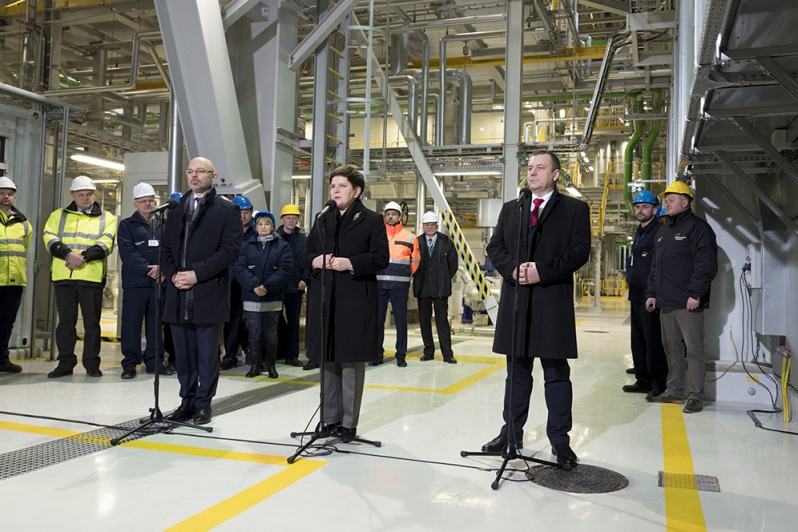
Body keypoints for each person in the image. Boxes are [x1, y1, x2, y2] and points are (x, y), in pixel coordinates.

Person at [482, 151, 590, 468]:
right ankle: (510, 434)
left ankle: (560, 441)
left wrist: (542, 271)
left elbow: (579, 252)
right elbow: (495, 247)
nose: (532, 172)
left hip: (551, 301)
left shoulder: (574, 209)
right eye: (529, 167)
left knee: (556, 375)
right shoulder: (512, 209)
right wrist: (512, 269)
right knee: (516, 374)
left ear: (556, 174)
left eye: (540, 167)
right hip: (517, 302)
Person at [299, 166, 389, 441]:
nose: (335, 191)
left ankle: (348, 423)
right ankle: (329, 420)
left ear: (356, 191)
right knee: (327, 358)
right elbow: (307, 253)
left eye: (341, 186)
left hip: (355, 299)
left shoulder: (372, 220)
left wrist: (348, 263)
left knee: (349, 363)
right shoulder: (323, 218)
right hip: (326, 299)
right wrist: (315, 261)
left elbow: (380, 257)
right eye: (333, 187)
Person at [161, 157, 242, 425]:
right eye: (190, 172)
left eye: (201, 172)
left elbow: (229, 251)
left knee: (207, 355)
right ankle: (187, 401)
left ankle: (204, 404)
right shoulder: (175, 208)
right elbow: (166, 248)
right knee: (183, 354)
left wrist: (197, 274)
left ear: (213, 175)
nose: (194, 176)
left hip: (208, 291)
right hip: (178, 291)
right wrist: (174, 274)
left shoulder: (225, 210)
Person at [646, 180, 718, 414]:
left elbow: (705, 264)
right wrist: (652, 293)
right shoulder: (664, 230)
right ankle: (675, 390)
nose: (666, 202)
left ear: (685, 203)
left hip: (687, 302)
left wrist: (695, 293)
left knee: (694, 349)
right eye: (666, 199)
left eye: (671, 199)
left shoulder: (698, 228)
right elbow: (655, 266)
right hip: (666, 301)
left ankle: (695, 395)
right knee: (672, 349)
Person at [43, 175, 117, 378]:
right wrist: (68, 255)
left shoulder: (107, 218)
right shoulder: (58, 215)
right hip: (63, 276)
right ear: (73, 196)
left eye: (89, 194)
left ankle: (92, 364)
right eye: (81, 194)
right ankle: (65, 363)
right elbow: (49, 238)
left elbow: (106, 243)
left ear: (95, 195)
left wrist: (80, 258)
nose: (85, 198)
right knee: (66, 323)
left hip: (91, 277)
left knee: (92, 324)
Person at [116, 182, 174, 379]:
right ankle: (130, 363)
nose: (148, 204)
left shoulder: (164, 225)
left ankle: (155, 362)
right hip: (136, 282)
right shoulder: (126, 225)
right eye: (143, 201)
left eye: (151, 200)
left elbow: (171, 250)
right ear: (135, 204)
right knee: (131, 323)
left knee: (156, 324)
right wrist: (149, 270)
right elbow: (128, 253)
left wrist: (163, 268)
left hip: (160, 282)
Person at [234, 210, 292, 378]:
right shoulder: (246, 245)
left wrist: (267, 286)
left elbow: (285, 269)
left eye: (267, 224)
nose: (263, 227)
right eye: (260, 224)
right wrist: (255, 286)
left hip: (273, 296)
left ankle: (271, 365)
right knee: (254, 331)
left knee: (271, 332)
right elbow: (240, 268)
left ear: (272, 226)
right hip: (252, 297)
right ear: (255, 226)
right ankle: (255, 365)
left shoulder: (282, 246)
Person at [624, 190, 668, 395]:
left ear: (654, 209)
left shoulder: (659, 231)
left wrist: (654, 292)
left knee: (653, 341)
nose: (640, 210)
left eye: (645, 207)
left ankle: (658, 382)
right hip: (636, 292)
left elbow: (659, 266)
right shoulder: (640, 231)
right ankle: (642, 379)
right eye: (637, 206)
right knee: (638, 339)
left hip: (650, 294)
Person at [371, 201, 420, 367]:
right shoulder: (377, 234)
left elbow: (416, 261)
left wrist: (405, 274)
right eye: (388, 214)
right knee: (377, 322)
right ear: (384, 216)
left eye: (394, 214)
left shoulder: (410, 237)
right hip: (378, 284)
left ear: (400, 216)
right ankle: (377, 354)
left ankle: (401, 355)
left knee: (400, 322)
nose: (390, 216)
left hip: (400, 286)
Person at [413, 211, 459, 364]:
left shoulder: (446, 242)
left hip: (441, 289)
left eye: (432, 224)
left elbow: (453, 265)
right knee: (424, 322)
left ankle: (447, 354)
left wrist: (443, 277)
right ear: (423, 226)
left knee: (442, 322)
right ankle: (428, 352)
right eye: (427, 224)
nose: (430, 227)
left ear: (437, 226)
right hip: (423, 287)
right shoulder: (416, 242)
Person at [0, 177, 32, 374]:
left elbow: (24, 249)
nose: (6, 197)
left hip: (14, 281)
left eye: (10, 194)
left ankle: (2, 359)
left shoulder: (23, 223)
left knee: (6, 323)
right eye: (2, 193)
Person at [220, 195, 255, 370]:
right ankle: (230, 356)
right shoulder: (226, 231)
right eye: (240, 212)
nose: (243, 216)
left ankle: (254, 352)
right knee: (232, 319)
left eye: (246, 212)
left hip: (251, 283)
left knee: (254, 319)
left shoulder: (258, 233)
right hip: (232, 282)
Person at [275, 203, 309, 369]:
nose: (291, 220)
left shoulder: (303, 240)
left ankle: (292, 355)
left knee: (294, 321)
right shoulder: (274, 238)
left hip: (296, 286)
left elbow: (308, 262)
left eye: (294, 218)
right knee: (274, 321)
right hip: (276, 286)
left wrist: (305, 280)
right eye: (288, 218)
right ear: (282, 219)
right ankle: (277, 352)